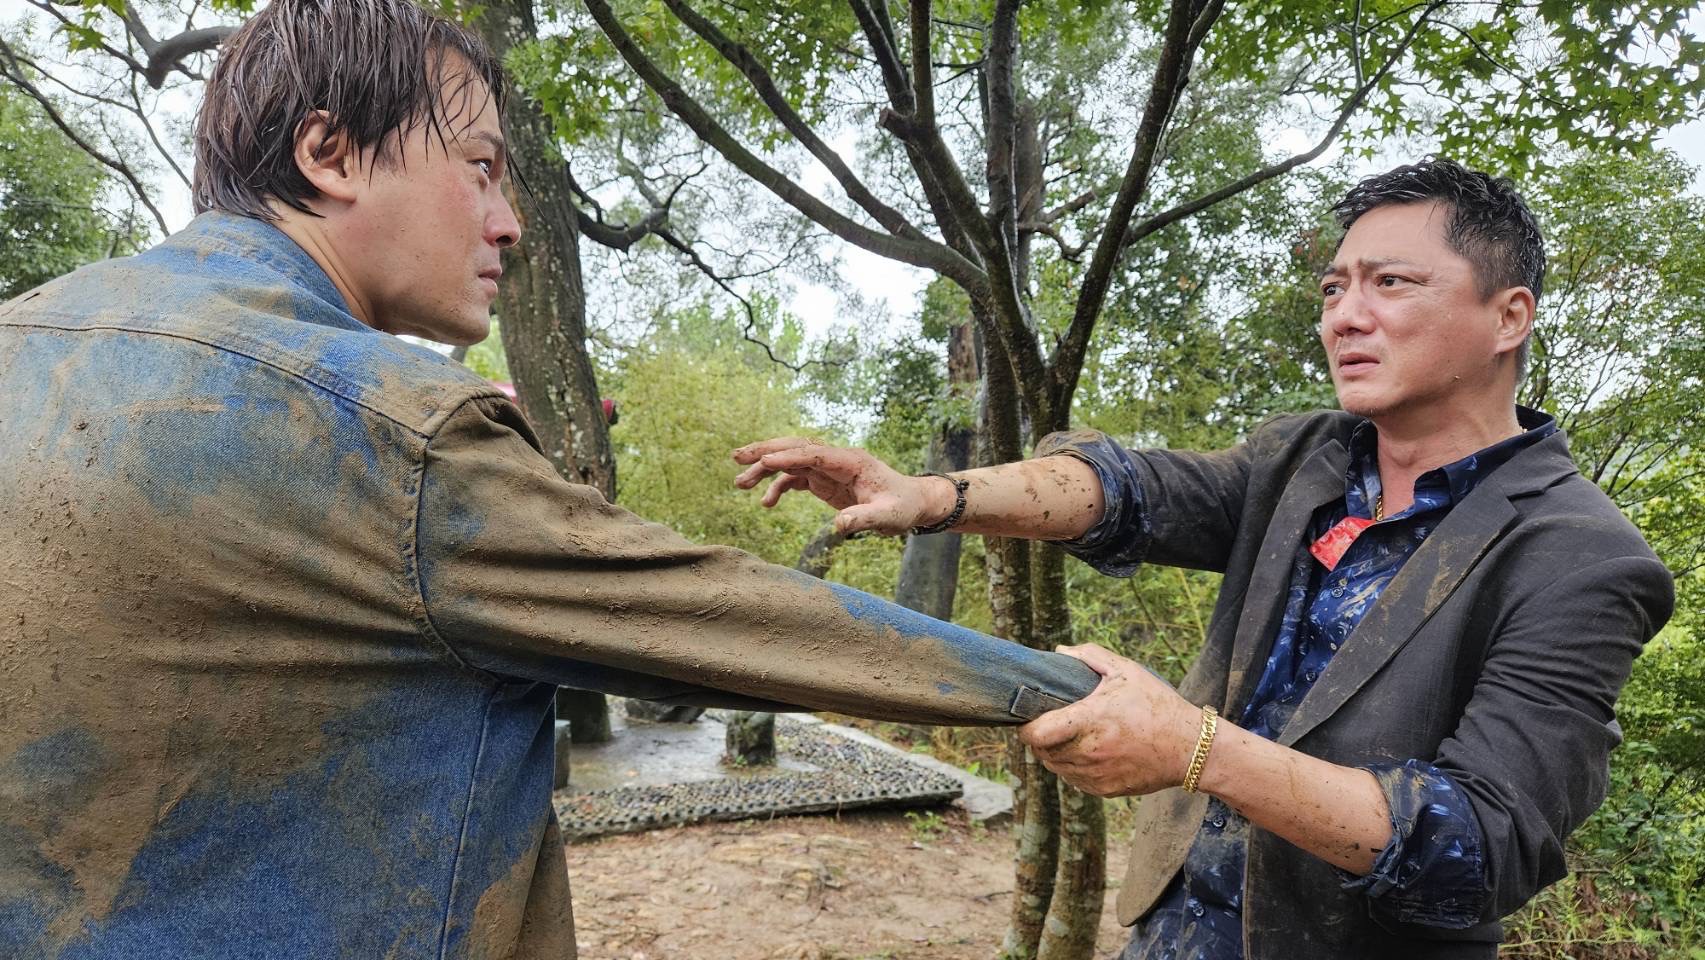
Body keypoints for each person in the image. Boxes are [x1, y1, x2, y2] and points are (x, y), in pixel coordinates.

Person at [0, 2, 1098, 957]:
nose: (510, 222)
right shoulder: (395, 433)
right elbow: (716, 614)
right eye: (478, 167)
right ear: (329, 154)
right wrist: (1080, 698)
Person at [735, 159, 1674, 958]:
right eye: (1333, 288)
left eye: (1390, 283)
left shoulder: (1578, 559)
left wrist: (1192, 749)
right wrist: (936, 498)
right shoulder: (1306, 459)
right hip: (1170, 927)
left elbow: (1479, 846)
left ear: (1508, 316)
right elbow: (1131, 490)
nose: (1345, 315)